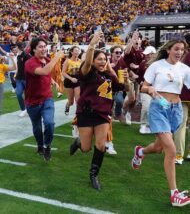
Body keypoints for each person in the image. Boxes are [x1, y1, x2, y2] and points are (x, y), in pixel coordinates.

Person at [131, 39, 190, 207]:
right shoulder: (156, 66)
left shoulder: (184, 69)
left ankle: (140, 151)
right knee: (171, 150)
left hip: (175, 110)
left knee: (158, 148)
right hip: (158, 109)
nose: (179, 52)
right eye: (176, 49)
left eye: (182, 50)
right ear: (169, 50)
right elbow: (143, 86)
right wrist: (149, 89)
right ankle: (175, 194)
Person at [69, 32, 130, 190]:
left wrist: (127, 81)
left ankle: (94, 174)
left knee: (101, 145)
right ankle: (79, 142)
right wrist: (92, 45)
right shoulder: (87, 72)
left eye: (104, 59)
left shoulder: (110, 75)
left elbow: (123, 88)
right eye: (99, 59)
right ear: (94, 61)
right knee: (85, 148)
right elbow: (87, 62)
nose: (103, 61)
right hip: (86, 113)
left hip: (103, 115)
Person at [25, 38, 64, 161]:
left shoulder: (47, 60)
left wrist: (53, 82)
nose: (44, 49)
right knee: (37, 128)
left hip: (47, 98)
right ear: (34, 49)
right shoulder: (30, 63)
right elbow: (44, 71)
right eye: (41, 46)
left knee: (49, 123)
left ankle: (47, 146)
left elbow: (47, 74)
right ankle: (40, 145)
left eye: (45, 46)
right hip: (32, 101)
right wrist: (56, 57)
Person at [174, 33, 190, 165]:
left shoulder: (181, 56)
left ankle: (178, 155)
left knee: (181, 125)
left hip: (182, 94)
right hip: (183, 94)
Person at [15, 42, 31, 117]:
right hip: (19, 78)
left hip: (27, 78)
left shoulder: (27, 56)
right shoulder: (18, 56)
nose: (14, 49)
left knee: (28, 95)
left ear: (18, 48)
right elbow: (18, 67)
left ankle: (29, 109)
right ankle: (23, 109)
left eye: (15, 47)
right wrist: (15, 74)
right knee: (18, 94)